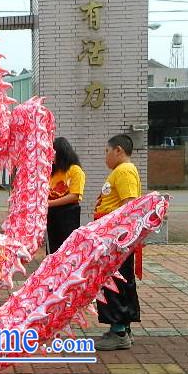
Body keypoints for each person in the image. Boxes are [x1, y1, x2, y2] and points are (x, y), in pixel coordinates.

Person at [93, 134, 142, 351]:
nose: (105, 156)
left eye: (106, 151)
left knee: (115, 283)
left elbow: (129, 206)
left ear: (118, 150)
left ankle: (118, 332)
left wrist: (117, 236)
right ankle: (121, 329)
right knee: (120, 282)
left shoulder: (124, 171)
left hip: (116, 240)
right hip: (114, 238)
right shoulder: (120, 171)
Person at [47, 137, 86, 253]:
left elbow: (74, 195)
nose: (51, 156)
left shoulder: (75, 170)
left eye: (53, 153)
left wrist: (49, 203)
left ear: (61, 153)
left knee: (67, 247)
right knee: (54, 248)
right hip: (52, 213)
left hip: (67, 213)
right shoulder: (52, 172)